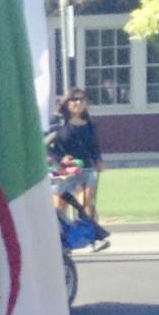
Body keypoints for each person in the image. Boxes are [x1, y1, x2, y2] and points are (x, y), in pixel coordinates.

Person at [48, 89, 109, 244]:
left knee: (86, 202)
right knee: (60, 209)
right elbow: (45, 146)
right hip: (63, 172)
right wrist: (61, 158)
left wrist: (98, 160)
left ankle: (91, 236)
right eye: (74, 100)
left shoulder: (89, 124)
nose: (78, 103)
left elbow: (94, 146)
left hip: (86, 169)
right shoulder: (57, 122)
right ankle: (61, 240)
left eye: (81, 100)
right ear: (67, 102)